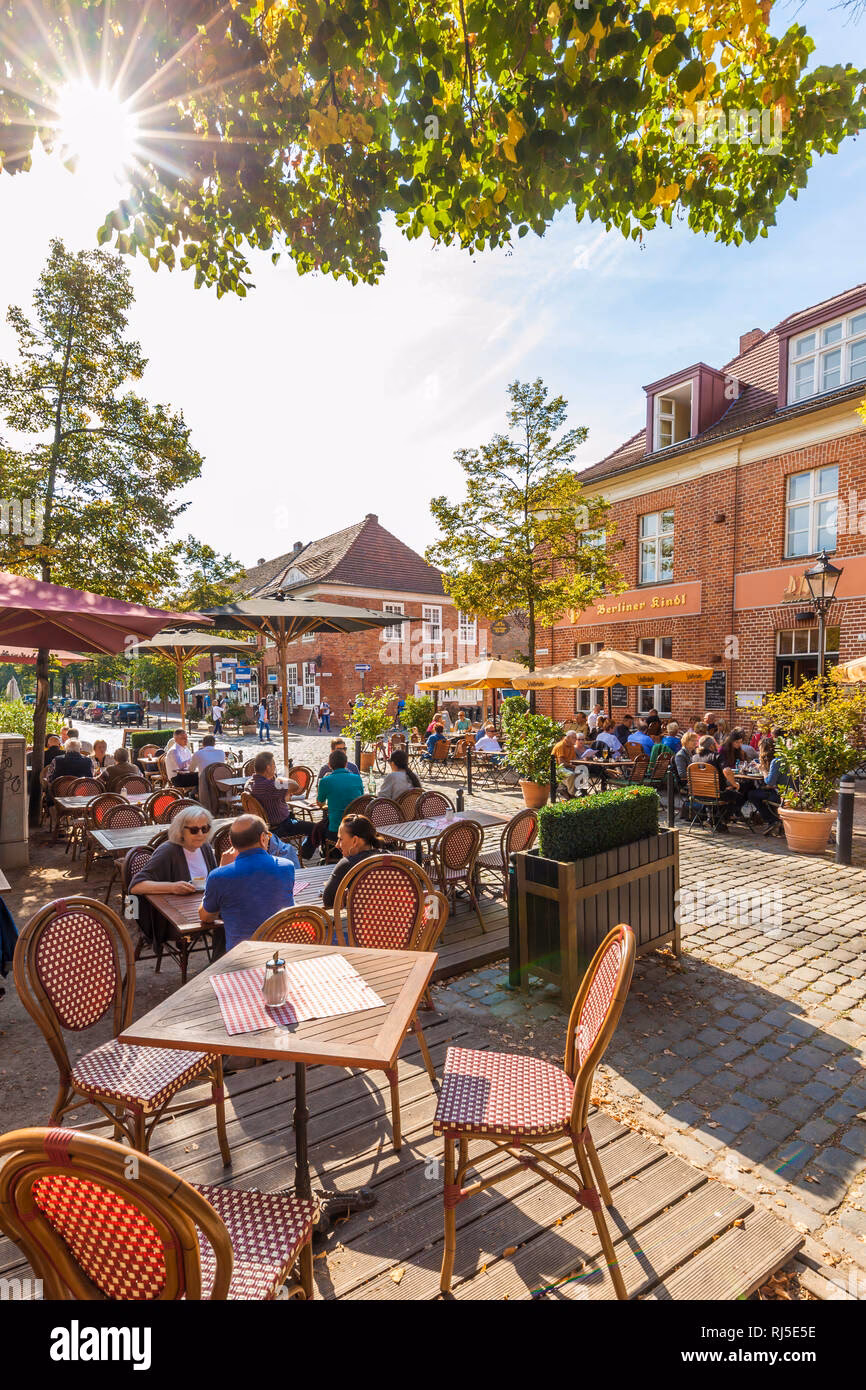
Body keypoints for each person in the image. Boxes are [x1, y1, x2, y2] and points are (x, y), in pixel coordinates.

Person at [129, 806, 220, 956]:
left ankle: (221, 961)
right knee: (226, 921)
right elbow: (136, 886)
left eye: (205, 829)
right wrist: (172, 887)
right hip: (174, 918)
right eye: (194, 830)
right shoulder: (168, 851)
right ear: (181, 831)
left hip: (202, 909)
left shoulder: (205, 847)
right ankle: (220, 961)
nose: (201, 834)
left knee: (233, 914)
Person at [199, 815, 295, 952]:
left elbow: (206, 916)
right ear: (263, 838)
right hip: (282, 949)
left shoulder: (219, 876)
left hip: (244, 954)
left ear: (231, 842)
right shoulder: (287, 866)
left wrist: (221, 868)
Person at [245, 751, 313, 849]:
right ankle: (305, 853)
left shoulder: (249, 783)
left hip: (261, 826)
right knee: (316, 829)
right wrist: (280, 778)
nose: (275, 768)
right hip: (279, 827)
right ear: (268, 767)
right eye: (274, 765)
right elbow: (295, 786)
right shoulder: (270, 786)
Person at [321, 815, 383, 908]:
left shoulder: (347, 864)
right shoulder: (389, 858)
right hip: (391, 914)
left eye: (340, 839)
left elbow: (328, 901)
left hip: (361, 916)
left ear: (355, 841)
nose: (337, 845)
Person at [316, 749, 365, 846]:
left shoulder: (325, 781)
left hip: (337, 829)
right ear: (346, 764)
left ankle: (317, 851)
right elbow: (361, 800)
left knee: (317, 829)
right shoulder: (357, 778)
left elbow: (320, 803)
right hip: (356, 827)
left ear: (329, 765)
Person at [189, 734, 227, 812]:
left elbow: (191, 769)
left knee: (197, 781)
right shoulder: (221, 752)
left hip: (205, 782)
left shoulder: (198, 753)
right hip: (220, 780)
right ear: (214, 743)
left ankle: (199, 803)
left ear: (203, 744)